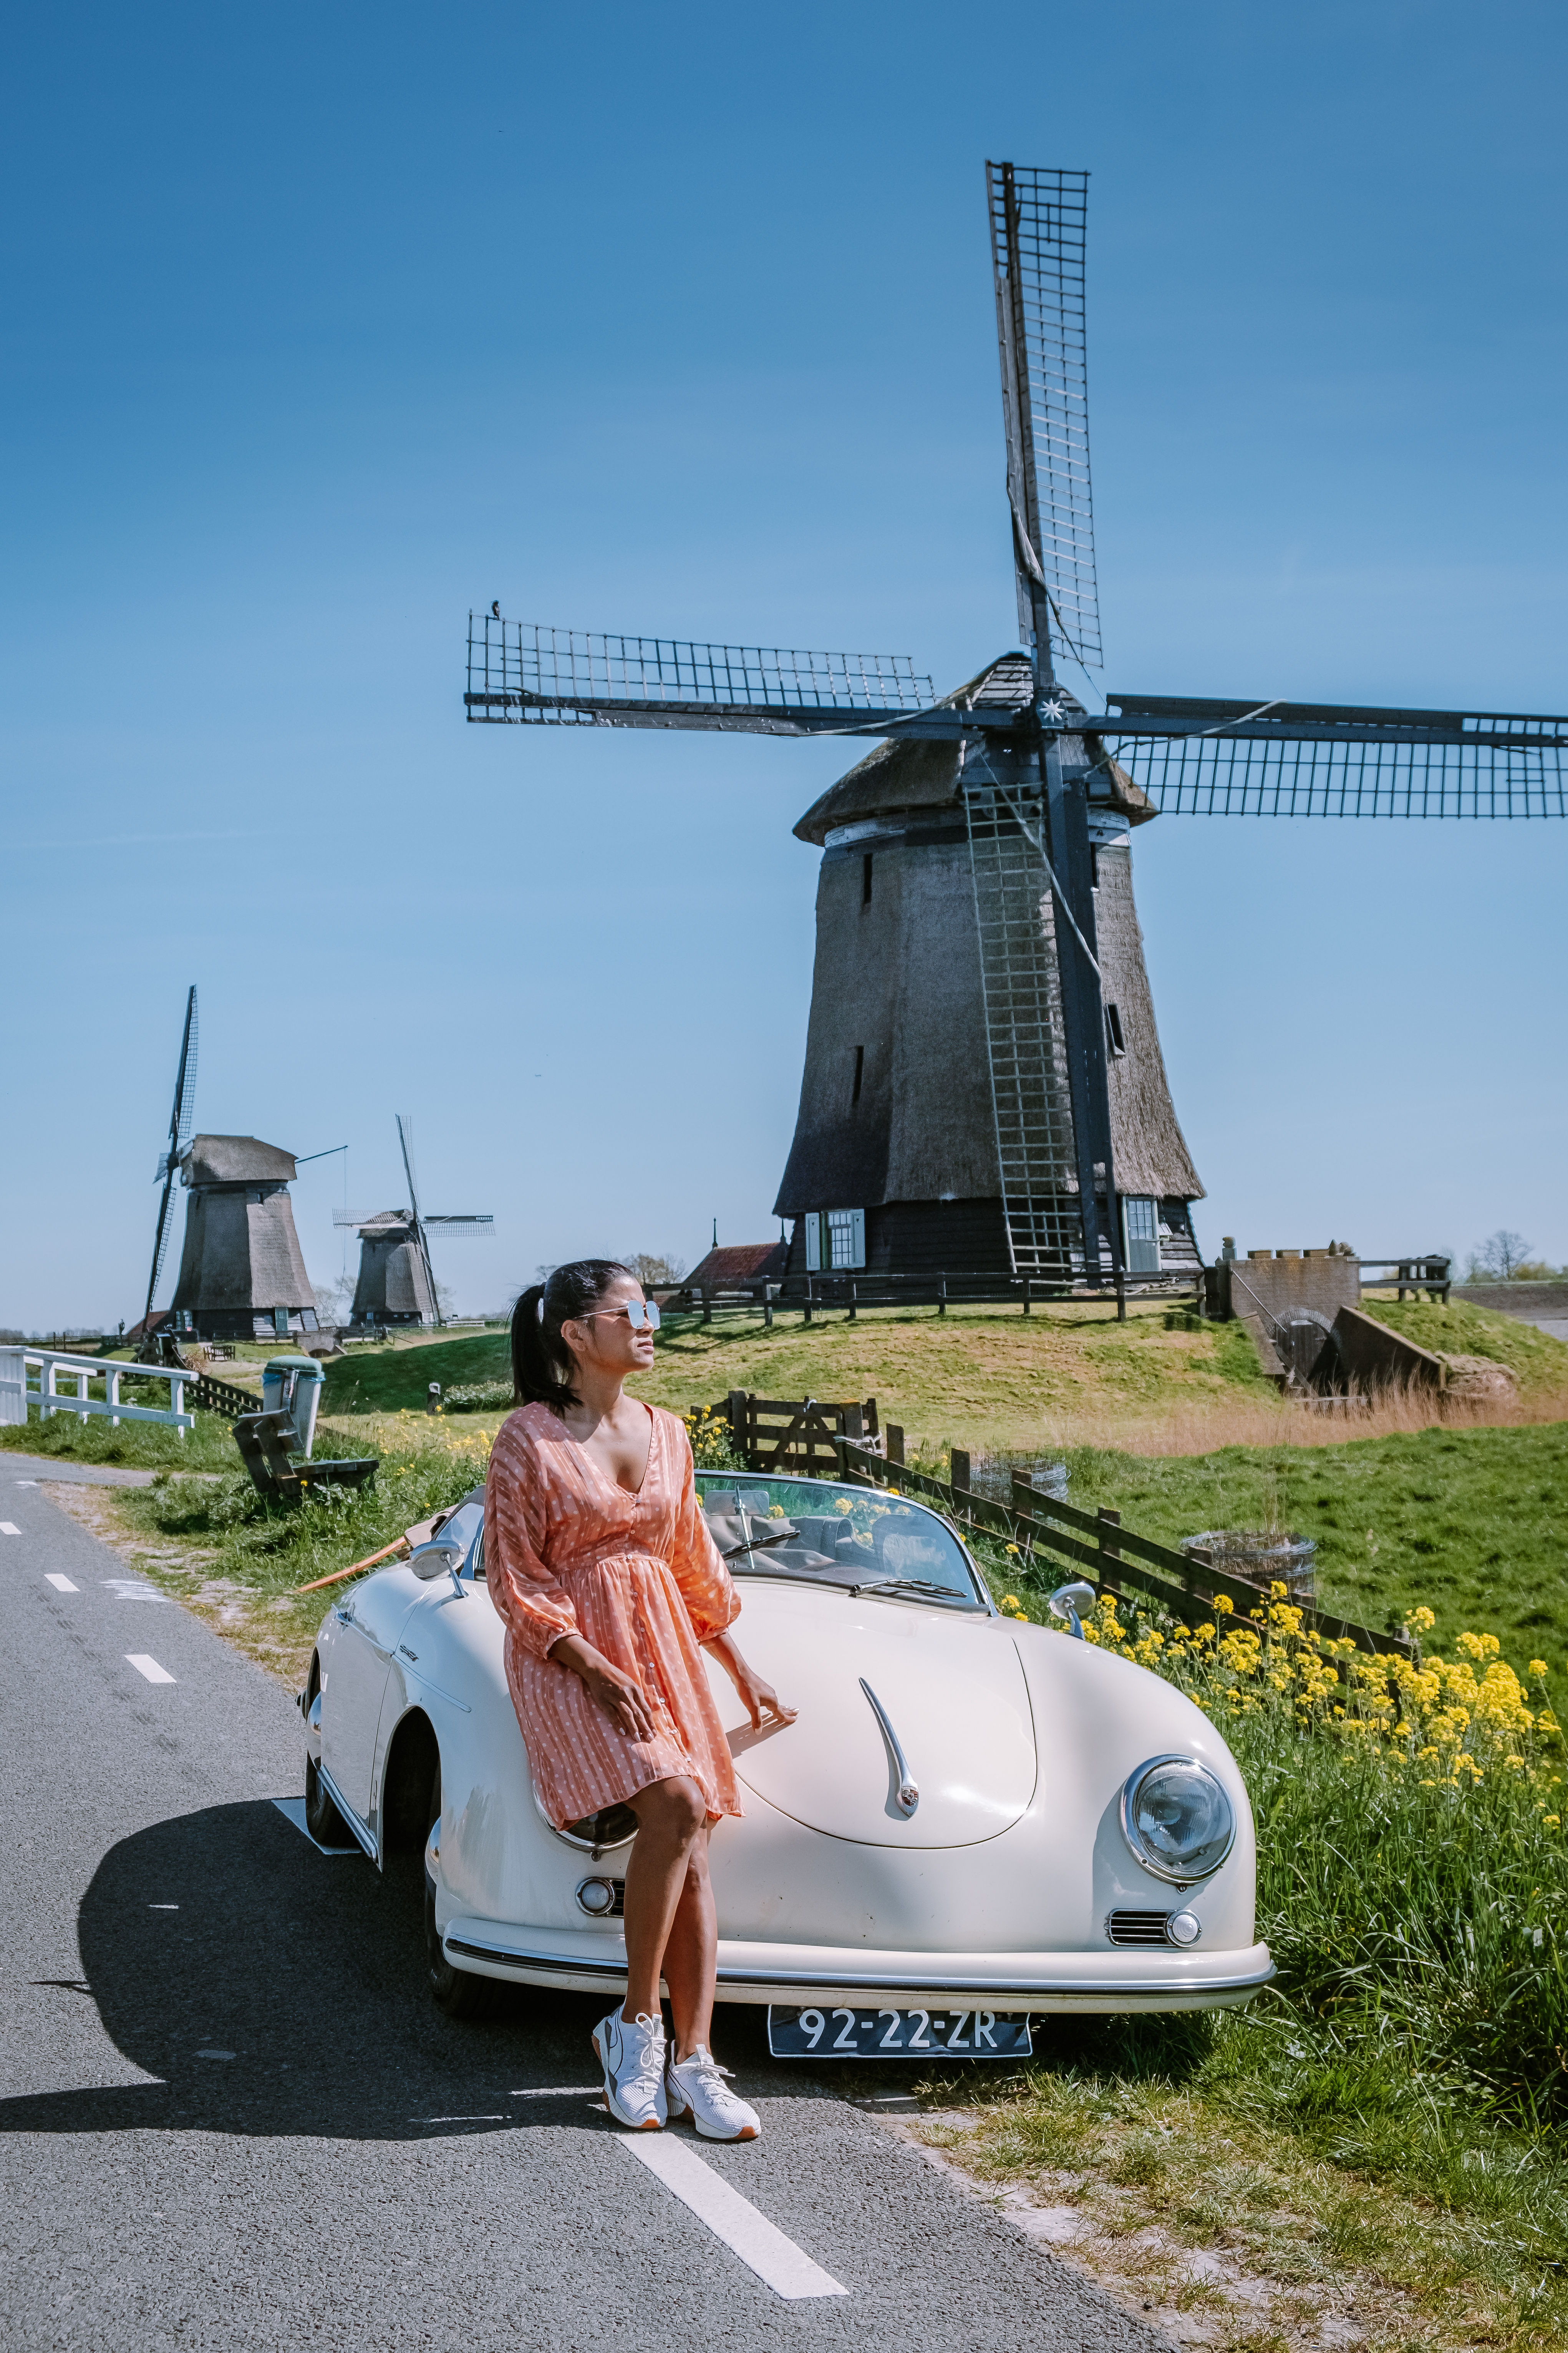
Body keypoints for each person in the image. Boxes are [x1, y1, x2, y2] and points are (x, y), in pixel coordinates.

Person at [485, 1259, 794, 2140]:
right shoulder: (528, 1437)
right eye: (631, 1311)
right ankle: (635, 2026)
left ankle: (695, 2061)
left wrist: (739, 1663)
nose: (649, 1322)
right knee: (679, 1802)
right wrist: (587, 1662)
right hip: (567, 1657)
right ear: (577, 1333)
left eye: (649, 1308)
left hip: (661, 1645)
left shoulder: (669, 1432)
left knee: (692, 1844)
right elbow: (513, 1574)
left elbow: (692, 1560)